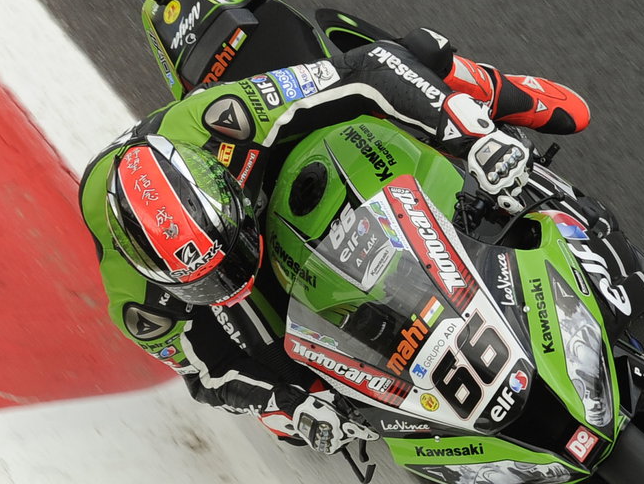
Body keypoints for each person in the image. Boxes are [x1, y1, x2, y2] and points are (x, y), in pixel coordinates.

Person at [76, 27, 591, 454]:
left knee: (411, 59)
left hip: (288, 155)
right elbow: (208, 375)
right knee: (292, 423)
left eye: (226, 258)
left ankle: (487, 86)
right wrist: (289, 400)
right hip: (256, 276)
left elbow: (366, 69)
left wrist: (471, 137)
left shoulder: (220, 121)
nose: (230, 270)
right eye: (208, 278)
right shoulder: (140, 309)